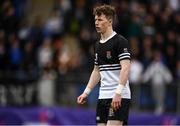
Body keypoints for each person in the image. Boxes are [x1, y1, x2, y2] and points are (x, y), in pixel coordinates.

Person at [77, 4, 131, 126]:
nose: (96, 22)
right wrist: (86, 92)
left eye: (100, 19)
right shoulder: (97, 45)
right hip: (103, 96)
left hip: (118, 96)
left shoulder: (120, 41)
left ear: (109, 21)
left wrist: (118, 93)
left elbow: (126, 68)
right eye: (95, 19)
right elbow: (97, 71)